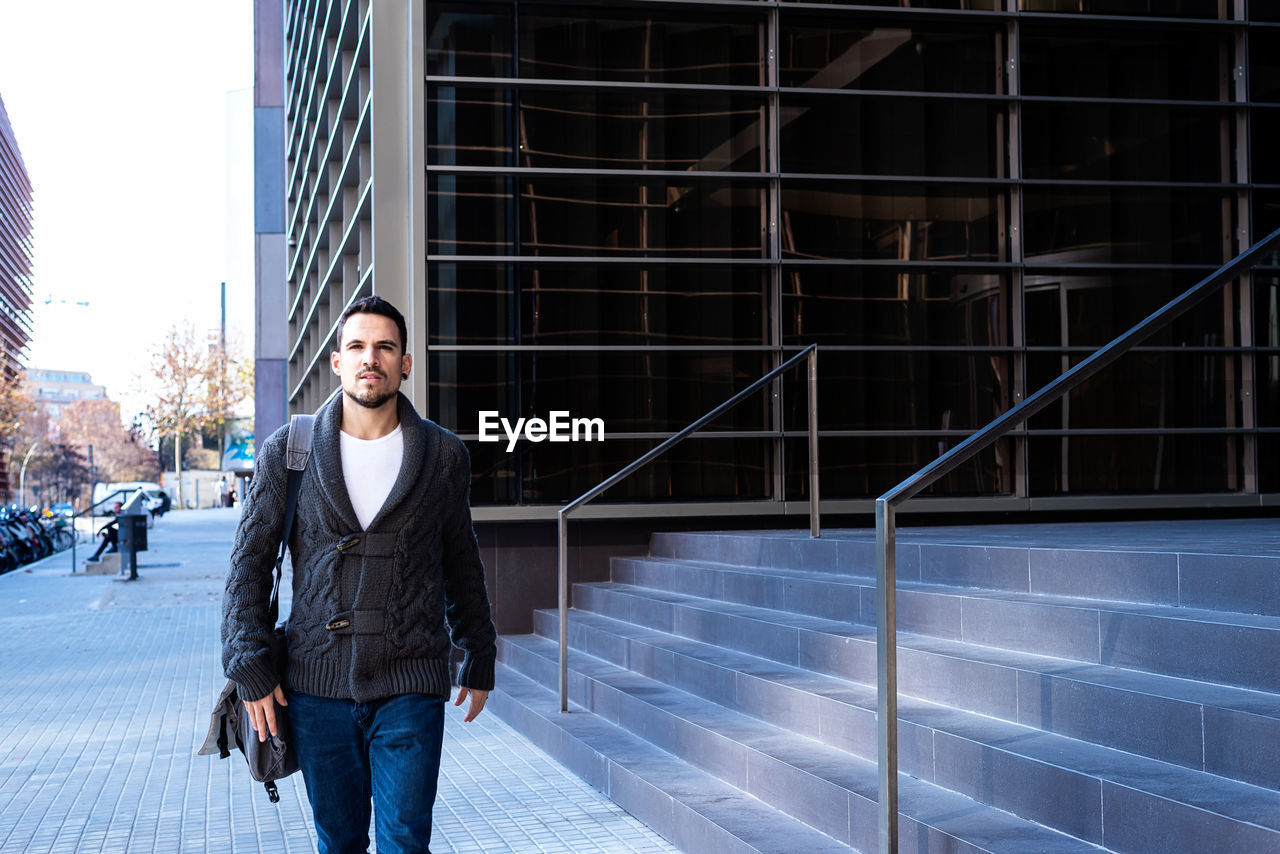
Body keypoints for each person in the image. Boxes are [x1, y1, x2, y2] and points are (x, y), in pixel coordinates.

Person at [221, 295, 496, 854]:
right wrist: (248, 662)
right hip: (316, 688)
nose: (371, 358)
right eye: (358, 347)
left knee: (404, 841)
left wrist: (479, 650)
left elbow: (461, 560)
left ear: (405, 363)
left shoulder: (444, 456)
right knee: (339, 841)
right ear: (338, 362)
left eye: (384, 347)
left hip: (411, 684)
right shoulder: (289, 452)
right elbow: (247, 565)